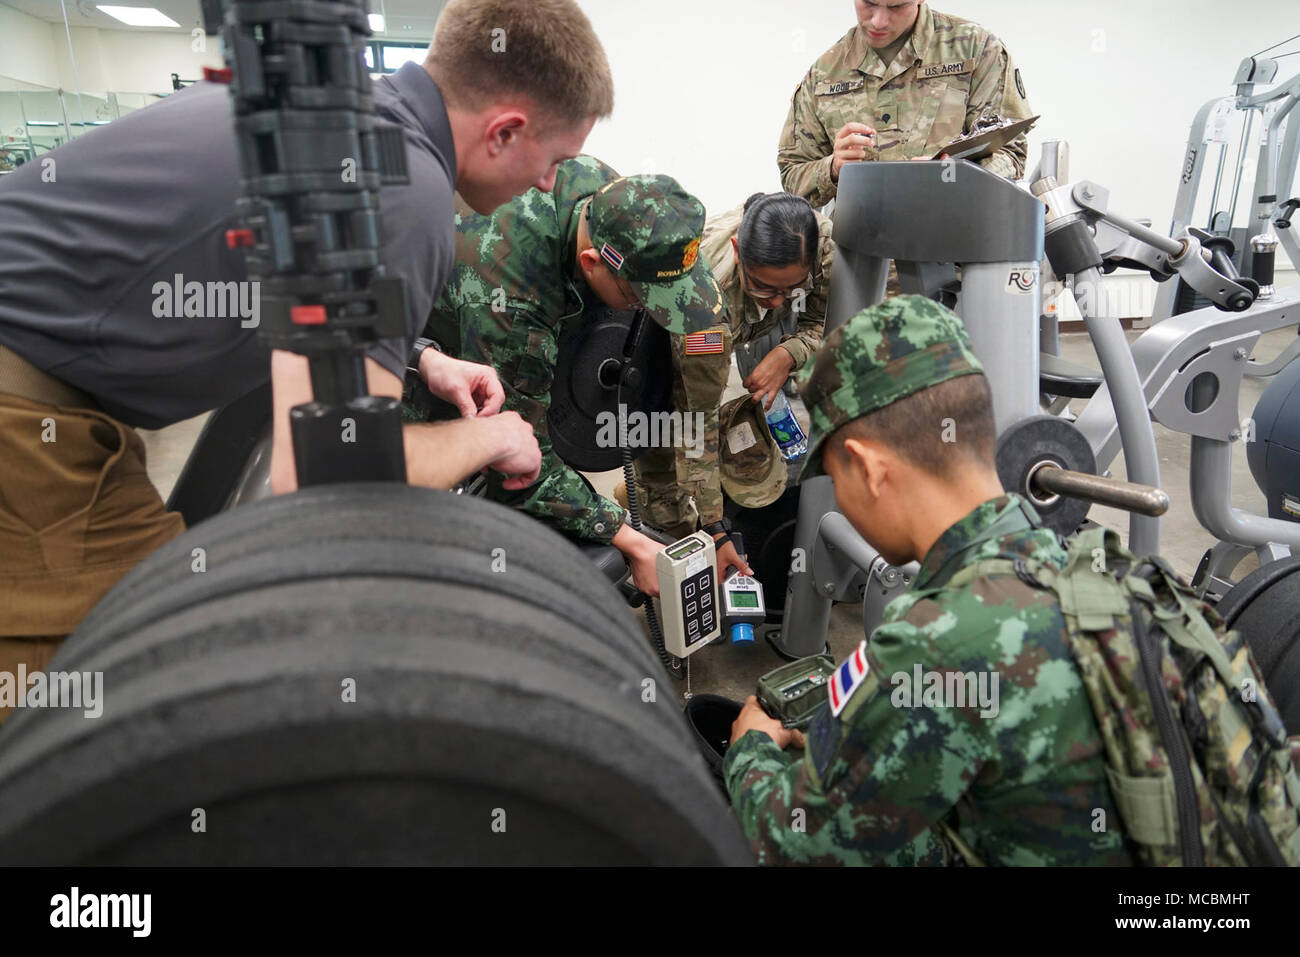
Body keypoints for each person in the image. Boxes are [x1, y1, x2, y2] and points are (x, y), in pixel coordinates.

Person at [0, 0, 611, 700]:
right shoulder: (405, 189)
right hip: (25, 413)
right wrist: (493, 436)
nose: (547, 184)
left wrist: (417, 356)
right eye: (556, 161)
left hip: (51, 380)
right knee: (148, 685)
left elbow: (303, 281)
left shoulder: (349, 122)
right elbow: (328, 469)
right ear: (505, 130)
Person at [724, 296, 1134, 866]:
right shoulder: (1126, 579)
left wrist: (751, 751)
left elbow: (792, 844)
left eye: (834, 475)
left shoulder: (933, 646)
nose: (836, 497)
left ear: (868, 469)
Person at [422, 157, 725, 597]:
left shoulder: (603, 191)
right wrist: (629, 539)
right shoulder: (515, 302)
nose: (644, 314)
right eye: (641, 301)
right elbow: (517, 464)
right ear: (590, 262)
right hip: (409, 345)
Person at [630, 192, 832, 576]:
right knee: (666, 482)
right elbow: (698, 422)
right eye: (764, 289)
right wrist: (715, 529)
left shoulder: (820, 244)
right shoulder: (705, 310)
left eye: (791, 291)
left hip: (719, 327)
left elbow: (828, 321)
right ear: (738, 250)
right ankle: (649, 504)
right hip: (660, 335)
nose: (777, 304)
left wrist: (789, 353)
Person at [778, 0, 1033, 209]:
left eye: (896, 6)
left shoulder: (975, 49)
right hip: (861, 261)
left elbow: (1011, 154)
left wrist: (949, 176)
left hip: (955, 257)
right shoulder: (825, 73)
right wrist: (833, 168)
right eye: (869, 3)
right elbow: (792, 176)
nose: (878, 20)